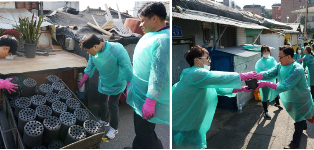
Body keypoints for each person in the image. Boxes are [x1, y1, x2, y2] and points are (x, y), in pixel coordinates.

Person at [172, 45, 256, 149]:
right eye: (207, 58)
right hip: (185, 123)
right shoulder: (195, 73)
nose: (209, 61)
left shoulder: (199, 77)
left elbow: (217, 89)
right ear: (197, 60)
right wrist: (244, 75)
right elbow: (219, 77)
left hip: (190, 122)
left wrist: (241, 89)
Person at [126, 2, 169, 148]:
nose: (141, 24)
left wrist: (150, 101)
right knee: (141, 130)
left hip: (147, 97)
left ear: (154, 19)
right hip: (140, 93)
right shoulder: (152, 35)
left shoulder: (163, 40)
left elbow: (159, 74)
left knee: (145, 133)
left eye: (143, 20)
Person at [255, 46, 314, 149]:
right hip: (292, 97)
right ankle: (303, 126)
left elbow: (285, 85)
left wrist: (267, 84)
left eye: (280, 57)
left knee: (299, 118)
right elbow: (270, 73)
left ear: (288, 56)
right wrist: (257, 75)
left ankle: (295, 143)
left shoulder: (297, 69)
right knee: (301, 119)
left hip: (301, 99)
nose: (279, 59)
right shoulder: (280, 66)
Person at [78, 34, 133, 139]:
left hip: (117, 82)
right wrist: (85, 77)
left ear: (95, 46)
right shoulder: (93, 53)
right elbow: (91, 64)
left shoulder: (117, 49)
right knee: (102, 100)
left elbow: (126, 66)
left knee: (113, 104)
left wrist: (129, 84)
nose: (87, 53)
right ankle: (104, 120)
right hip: (104, 80)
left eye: (88, 50)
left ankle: (114, 128)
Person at [255, 45, 282, 119]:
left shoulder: (272, 59)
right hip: (263, 82)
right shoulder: (259, 62)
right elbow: (258, 72)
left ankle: (277, 104)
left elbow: (276, 68)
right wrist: (265, 74)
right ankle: (266, 111)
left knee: (275, 92)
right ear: (261, 52)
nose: (266, 53)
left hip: (272, 80)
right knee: (264, 96)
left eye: (267, 51)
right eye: (264, 51)